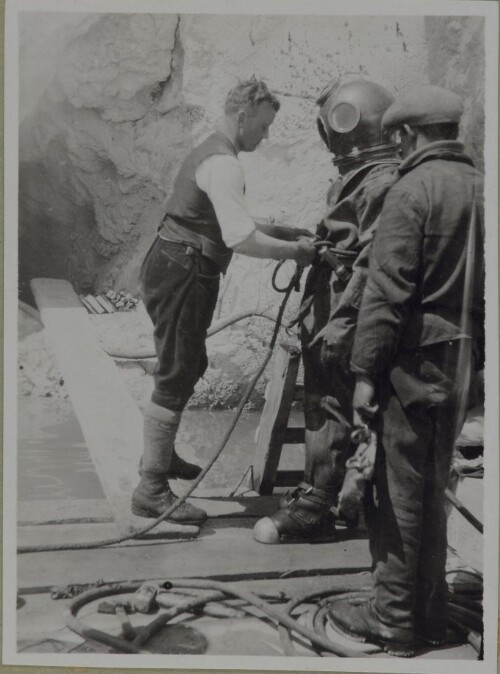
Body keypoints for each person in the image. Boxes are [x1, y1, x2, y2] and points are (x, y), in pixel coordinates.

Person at [327, 85, 484, 656]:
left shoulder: (409, 190)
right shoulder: (479, 188)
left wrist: (365, 373)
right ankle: (431, 613)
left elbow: (386, 294)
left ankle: (392, 620)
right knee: (434, 487)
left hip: (413, 365)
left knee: (395, 496)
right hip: (462, 365)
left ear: (408, 135)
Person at [131, 79, 316, 525]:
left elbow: (221, 215)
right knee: (177, 372)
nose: (267, 135)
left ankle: (165, 456)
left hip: (176, 260)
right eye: (265, 125)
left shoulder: (213, 152)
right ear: (244, 115)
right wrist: (297, 252)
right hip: (184, 269)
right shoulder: (224, 163)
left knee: (189, 363)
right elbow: (240, 238)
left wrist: (283, 229)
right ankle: (151, 489)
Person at [253, 79, 401, 544]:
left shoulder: (380, 180)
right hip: (337, 300)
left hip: (349, 309)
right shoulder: (366, 176)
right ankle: (329, 495)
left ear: (345, 125)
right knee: (327, 396)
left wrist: (341, 320)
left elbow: (371, 259)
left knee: (334, 399)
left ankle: (320, 505)